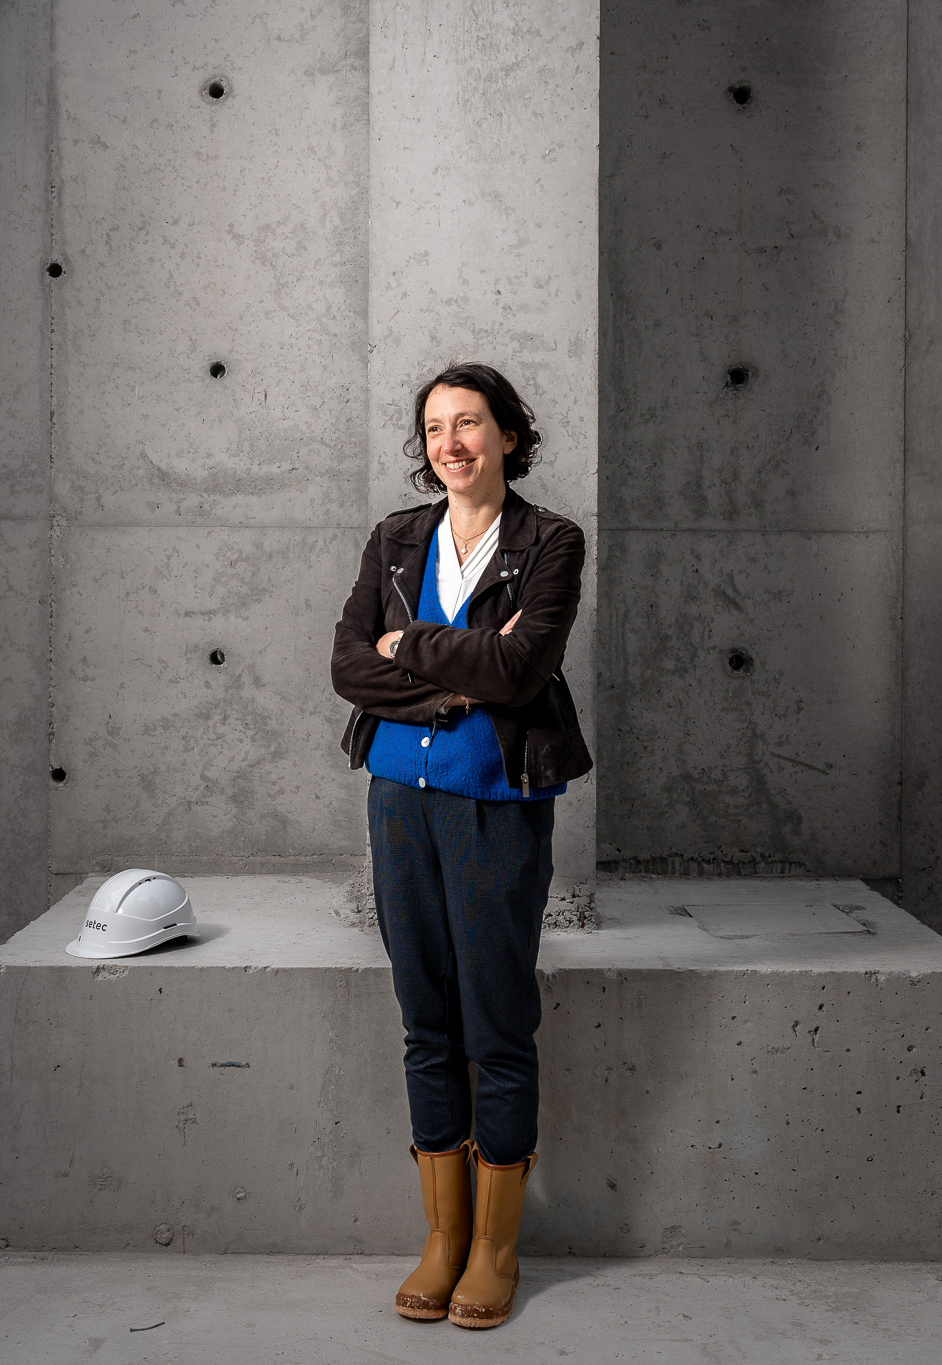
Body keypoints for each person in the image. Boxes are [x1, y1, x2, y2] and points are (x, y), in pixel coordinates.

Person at [329, 362, 592, 1329]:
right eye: (435, 427)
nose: (450, 443)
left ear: (508, 436)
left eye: (469, 423)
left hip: (495, 803)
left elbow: (523, 668)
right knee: (425, 1019)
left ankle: (495, 1247)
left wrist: (409, 645)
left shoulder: (549, 541)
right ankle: (443, 1238)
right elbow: (347, 663)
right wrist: (458, 676)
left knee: (496, 1020)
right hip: (399, 801)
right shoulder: (396, 538)